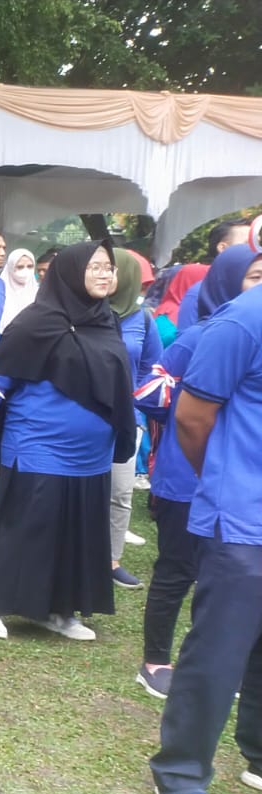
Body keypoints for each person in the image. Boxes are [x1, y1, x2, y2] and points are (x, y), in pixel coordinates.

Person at [0, 241, 137, 642]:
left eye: (108, 267)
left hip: (91, 455)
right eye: (95, 267)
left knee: (76, 532)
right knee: (26, 526)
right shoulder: (36, 321)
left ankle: (58, 610)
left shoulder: (106, 321)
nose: (105, 274)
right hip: (38, 445)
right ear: (71, 272)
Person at [147, 280, 262, 794]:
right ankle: (181, 772)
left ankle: (258, 753)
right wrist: (224, 481)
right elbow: (192, 418)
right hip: (243, 514)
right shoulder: (243, 321)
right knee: (220, 648)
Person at [134, 245, 262, 699]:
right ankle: (155, 660)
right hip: (187, 473)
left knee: (224, 580)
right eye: (254, 277)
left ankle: (225, 665)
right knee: (178, 569)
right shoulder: (203, 335)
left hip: (238, 481)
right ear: (226, 281)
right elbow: (148, 389)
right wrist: (188, 405)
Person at [106, 248, 160, 589]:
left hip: (125, 418)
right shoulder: (83, 311)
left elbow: (151, 366)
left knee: (120, 491)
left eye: (112, 270)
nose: (105, 275)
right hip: (84, 416)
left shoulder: (142, 319)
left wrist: (134, 403)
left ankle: (110, 559)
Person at [175, 219, 254, 332]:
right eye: (248, 243)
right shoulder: (198, 292)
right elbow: (187, 337)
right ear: (222, 248)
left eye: (258, 243)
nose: (256, 249)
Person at [0, 247, 39, 331]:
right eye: (20, 267)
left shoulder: (39, 294)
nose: (26, 270)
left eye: (30, 266)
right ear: (10, 268)